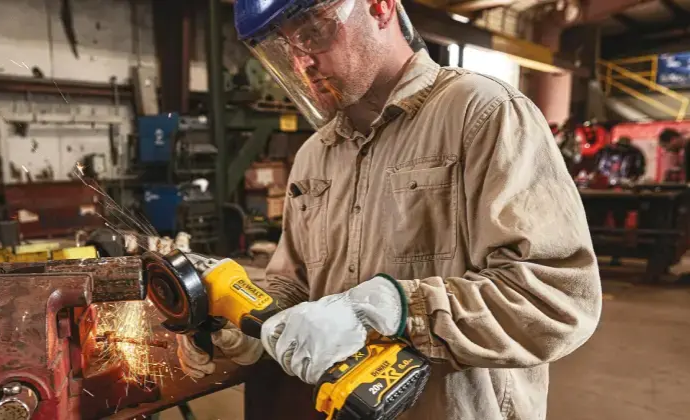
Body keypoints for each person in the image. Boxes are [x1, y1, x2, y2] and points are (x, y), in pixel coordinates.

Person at [177, 1, 602, 419]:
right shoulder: (314, 156)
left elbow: (555, 300)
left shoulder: (483, 113)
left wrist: (391, 309)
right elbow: (296, 284)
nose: (301, 62)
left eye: (312, 33)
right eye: (281, 50)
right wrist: (251, 324)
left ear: (380, 7)